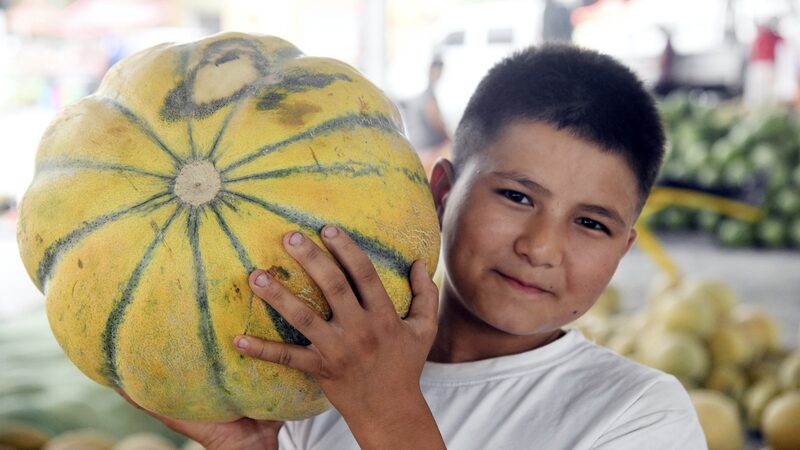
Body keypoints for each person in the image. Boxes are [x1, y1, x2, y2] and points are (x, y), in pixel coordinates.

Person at [124, 44, 707, 449]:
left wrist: (386, 409)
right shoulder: (323, 364)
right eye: (518, 197)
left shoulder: (639, 413)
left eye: (591, 224)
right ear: (443, 192)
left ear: (623, 248)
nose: (542, 247)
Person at [403, 56, 451, 175]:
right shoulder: (429, 96)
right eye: (438, 71)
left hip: (419, 149)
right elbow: (436, 121)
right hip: (428, 151)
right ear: (432, 71)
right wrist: (450, 137)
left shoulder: (423, 95)